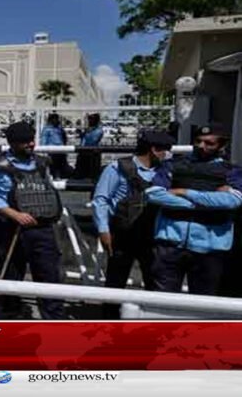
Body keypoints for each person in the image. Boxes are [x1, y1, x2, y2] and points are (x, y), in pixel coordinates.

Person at [145, 123, 242, 295]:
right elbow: (154, 194)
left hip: (210, 247)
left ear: (221, 146)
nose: (201, 146)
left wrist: (185, 192)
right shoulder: (173, 165)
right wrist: (206, 203)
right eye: (198, 141)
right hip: (170, 245)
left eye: (209, 143)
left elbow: (233, 200)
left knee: (204, 305)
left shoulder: (231, 171)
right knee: (162, 302)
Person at [0, 121, 65, 319]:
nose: (30, 144)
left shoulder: (42, 163)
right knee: (11, 274)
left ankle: (53, 318)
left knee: (49, 275)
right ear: (12, 143)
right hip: (11, 228)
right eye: (24, 142)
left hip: (42, 228)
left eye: (31, 140)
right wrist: (15, 215)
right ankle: (12, 315)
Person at [92, 130, 174, 318]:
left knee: (154, 280)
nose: (168, 154)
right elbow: (101, 200)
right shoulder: (117, 168)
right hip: (122, 234)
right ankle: (109, 321)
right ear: (154, 150)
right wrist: (104, 231)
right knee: (115, 281)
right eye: (166, 150)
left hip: (152, 234)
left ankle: (153, 321)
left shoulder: (164, 171)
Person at [40, 113, 71, 179]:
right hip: (52, 151)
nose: (57, 120)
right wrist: (44, 151)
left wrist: (65, 148)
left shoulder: (60, 129)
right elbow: (43, 140)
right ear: (51, 120)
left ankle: (60, 177)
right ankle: (55, 177)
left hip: (61, 150)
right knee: (53, 166)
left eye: (57, 119)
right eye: (55, 119)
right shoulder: (47, 129)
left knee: (61, 165)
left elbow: (64, 138)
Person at [74, 113, 104, 181]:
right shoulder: (88, 130)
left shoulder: (98, 130)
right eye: (89, 119)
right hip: (83, 151)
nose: (89, 121)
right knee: (81, 172)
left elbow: (93, 140)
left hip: (92, 152)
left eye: (91, 119)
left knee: (92, 172)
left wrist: (86, 132)